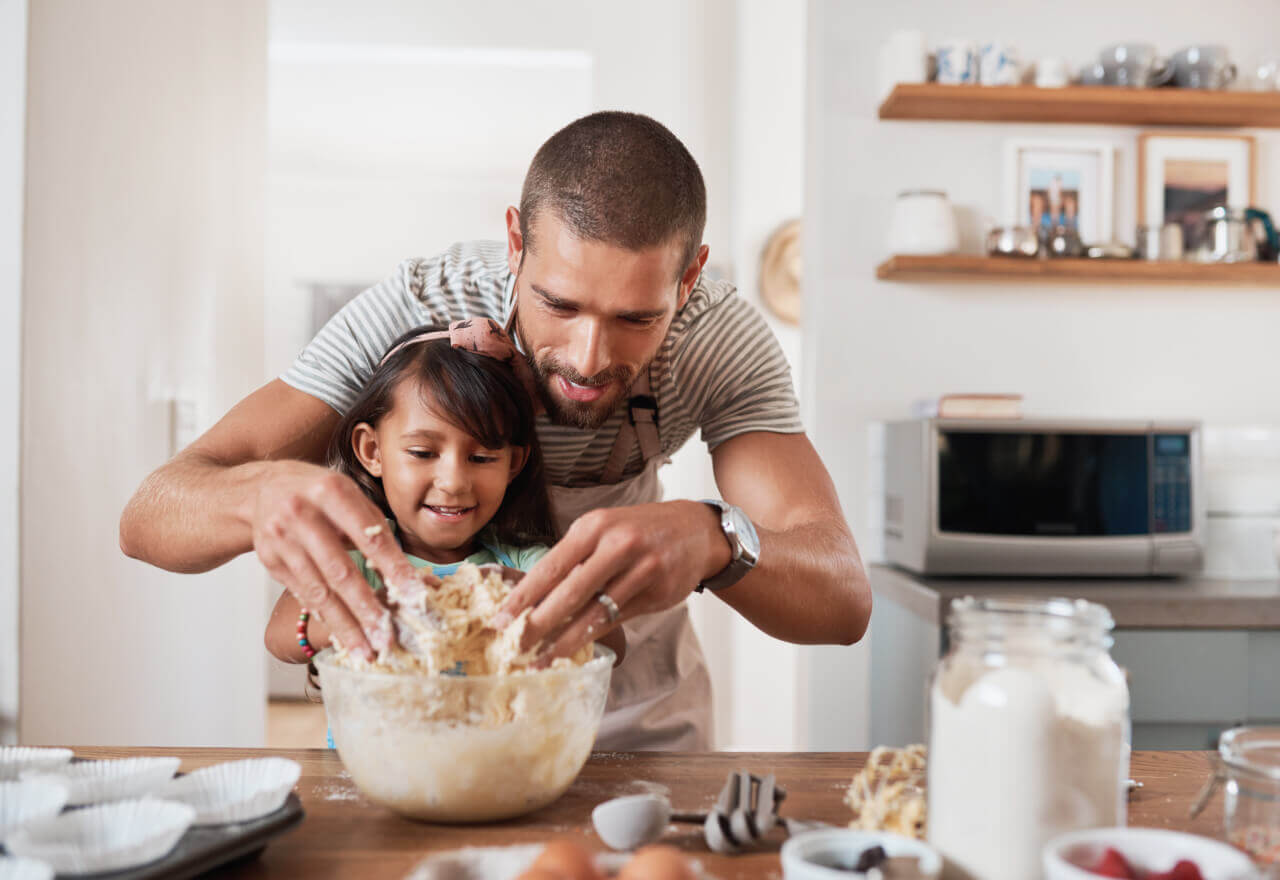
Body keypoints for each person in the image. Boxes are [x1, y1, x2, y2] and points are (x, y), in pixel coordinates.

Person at [120, 110, 872, 751]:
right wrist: (256, 496)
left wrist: (716, 536)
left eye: (636, 318)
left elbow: (843, 599)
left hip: (637, 728)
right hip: (426, 738)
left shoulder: (719, 342)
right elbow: (149, 516)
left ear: (690, 277)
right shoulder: (418, 306)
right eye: (559, 305)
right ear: (514, 243)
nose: (588, 359)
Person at [263, 319, 625, 666]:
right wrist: (372, 617)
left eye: (481, 457)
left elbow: (614, 643)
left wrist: (528, 592)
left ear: (513, 464)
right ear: (372, 451)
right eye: (422, 453)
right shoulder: (359, 563)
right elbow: (279, 635)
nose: (453, 482)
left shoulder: (524, 565)